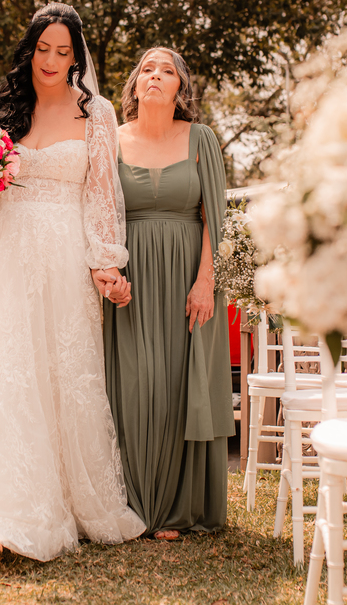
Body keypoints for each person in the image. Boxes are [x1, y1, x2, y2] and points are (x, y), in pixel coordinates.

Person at [0, 2, 146, 561]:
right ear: (31, 49)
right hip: (6, 256)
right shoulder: (5, 107)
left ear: (77, 57)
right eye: (43, 49)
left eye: (63, 51)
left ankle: (57, 502)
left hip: (64, 258)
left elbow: (101, 192)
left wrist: (106, 261)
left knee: (57, 379)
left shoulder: (97, 113)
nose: (51, 61)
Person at [103, 47, 233, 539]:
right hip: (130, 280)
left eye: (167, 71)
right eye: (147, 70)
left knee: (180, 386)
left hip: (188, 278)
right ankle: (132, 501)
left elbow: (214, 217)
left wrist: (206, 281)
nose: (155, 76)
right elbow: (97, 212)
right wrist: (109, 274)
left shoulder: (201, 139)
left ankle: (178, 508)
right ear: (135, 85)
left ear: (181, 88)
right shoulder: (111, 140)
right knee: (135, 385)